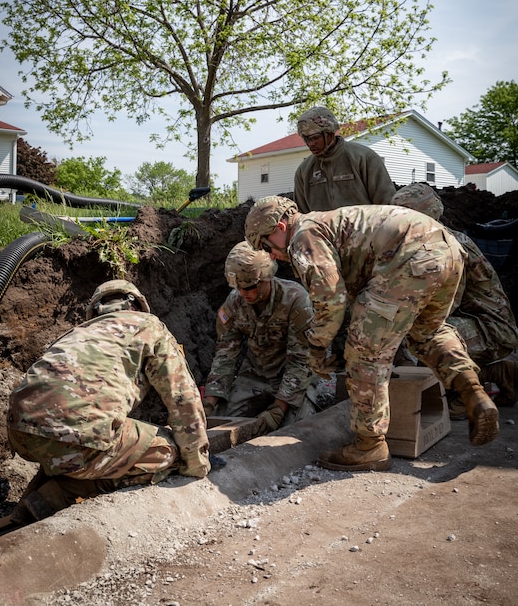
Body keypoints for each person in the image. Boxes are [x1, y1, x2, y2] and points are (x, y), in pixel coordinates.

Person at [245, 195, 499, 473]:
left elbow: (330, 299)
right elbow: (350, 298)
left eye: (265, 244)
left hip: (409, 256)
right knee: (426, 333)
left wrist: (316, 347)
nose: (269, 254)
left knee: (365, 351)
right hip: (446, 250)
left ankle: (369, 445)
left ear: (280, 227)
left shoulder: (303, 236)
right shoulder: (329, 221)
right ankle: (473, 393)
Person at [7, 280, 210, 526]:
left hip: (20, 433)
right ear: (137, 306)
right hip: (75, 438)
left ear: (95, 312)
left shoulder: (75, 334)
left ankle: (25, 508)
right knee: (168, 450)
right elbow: (182, 398)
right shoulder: (148, 326)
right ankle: (57, 496)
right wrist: (195, 464)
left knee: (68, 441)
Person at [391, 182, 518, 413]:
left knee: (428, 338)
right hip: (477, 322)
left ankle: (465, 394)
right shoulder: (427, 242)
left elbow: (443, 307)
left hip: (493, 329)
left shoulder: (445, 246)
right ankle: (496, 373)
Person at [202, 241, 318, 434]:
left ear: (266, 278)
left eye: (249, 287)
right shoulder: (234, 303)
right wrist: (210, 402)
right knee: (222, 421)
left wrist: (279, 407)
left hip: (292, 376)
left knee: (295, 431)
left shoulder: (296, 301)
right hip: (255, 375)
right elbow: (225, 355)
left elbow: (302, 360)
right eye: (238, 287)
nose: (243, 293)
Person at [293, 106, 396, 213]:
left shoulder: (363, 157)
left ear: (330, 133)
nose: (310, 143)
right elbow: (302, 216)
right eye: (306, 139)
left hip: (363, 229)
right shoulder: (304, 170)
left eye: (315, 137)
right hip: (322, 230)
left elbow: (386, 204)